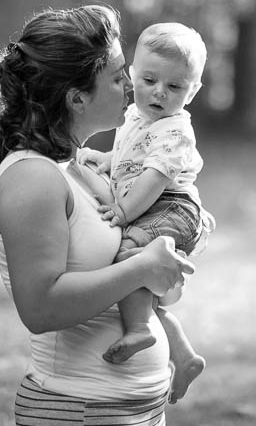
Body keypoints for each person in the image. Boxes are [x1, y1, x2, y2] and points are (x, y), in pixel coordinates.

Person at [0, 4, 194, 426]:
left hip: (128, 409)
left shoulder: (76, 164)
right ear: (77, 97)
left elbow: (136, 285)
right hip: (77, 410)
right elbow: (41, 308)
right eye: (117, 78)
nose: (130, 89)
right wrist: (141, 269)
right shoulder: (31, 179)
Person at [75, 22, 213, 404]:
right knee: (139, 280)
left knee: (129, 257)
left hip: (173, 206)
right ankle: (183, 356)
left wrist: (122, 211)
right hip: (154, 203)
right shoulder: (136, 117)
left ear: (193, 91)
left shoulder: (175, 130)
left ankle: (138, 330)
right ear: (133, 74)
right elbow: (130, 159)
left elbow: (153, 179)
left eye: (175, 87)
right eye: (150, 80)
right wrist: (105, 160)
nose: (159, 92)